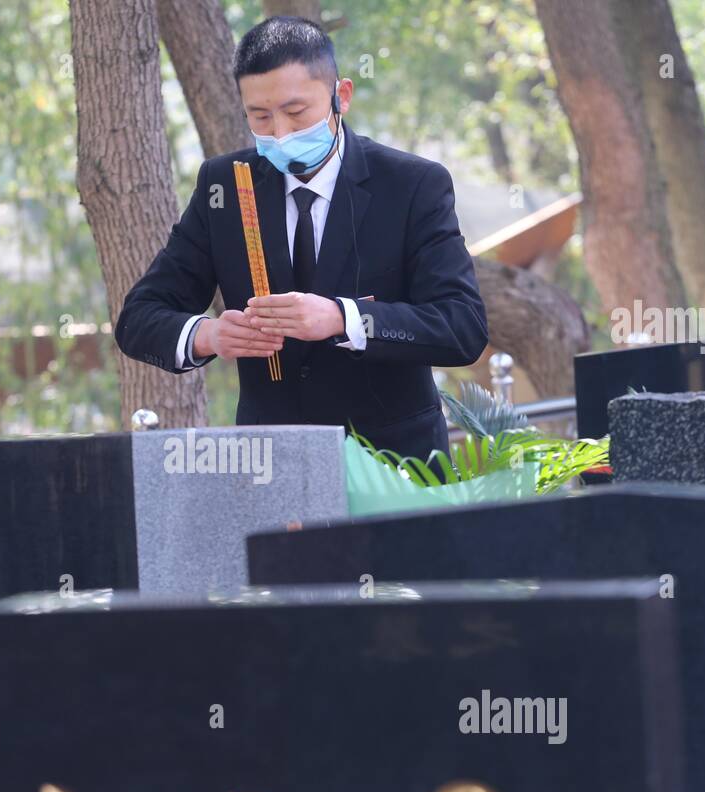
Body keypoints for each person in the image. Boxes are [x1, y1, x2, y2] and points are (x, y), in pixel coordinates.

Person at [116, 16, 487, 461]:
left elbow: (461, 327)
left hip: (395, 461)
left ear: (340, 95)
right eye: (260, 117)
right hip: (271, 462)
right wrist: (209, 335)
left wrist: (343, 318)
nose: (280, 133)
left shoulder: (411, 184)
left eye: (296, 113)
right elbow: (138, 318)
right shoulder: (225, 186)